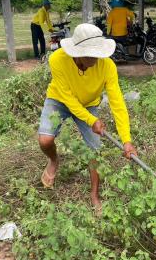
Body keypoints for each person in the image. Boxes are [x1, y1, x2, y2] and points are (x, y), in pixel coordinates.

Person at [37, 23, 138, 210]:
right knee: (45, 140)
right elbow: (68, 98)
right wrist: (92, 121)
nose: (95, 58)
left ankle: (94, 195)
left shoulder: (107, 66)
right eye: (90, 54)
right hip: (59, 99)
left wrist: (126, 140)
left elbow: (117, 103)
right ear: (76, 51)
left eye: (97, 53)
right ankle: (53, 160)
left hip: (89, 103)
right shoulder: (57, 60)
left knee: (95, 152)